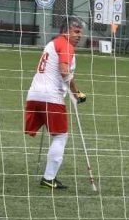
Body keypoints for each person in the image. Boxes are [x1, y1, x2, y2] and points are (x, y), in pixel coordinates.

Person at [24, 16, 88, 190]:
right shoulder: (65, 45)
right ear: (65, 31)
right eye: (76, 32)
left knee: (56, 134)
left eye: (80, 32)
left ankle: (49, 177)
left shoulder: (52, 44)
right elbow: (64, 70)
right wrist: (76, 92)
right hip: (51, 97)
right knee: (60, 136)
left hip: (34, 95)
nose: (79, 36)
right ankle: (48, 178)